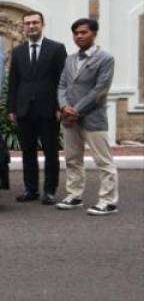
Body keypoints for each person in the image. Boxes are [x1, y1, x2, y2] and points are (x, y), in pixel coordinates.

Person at [55, 18, 118, 216]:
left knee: (103, 161)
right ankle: (74, 195)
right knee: (72, 159)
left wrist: (76, 110)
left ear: (94, 33)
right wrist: (64, 106)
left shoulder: (105, 58)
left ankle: (108, 201)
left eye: (83, 32)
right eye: (76, 33)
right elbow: (62, 86)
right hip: (69, 118)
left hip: (93, 117)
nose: (79, 36)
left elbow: (100, 90)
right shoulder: (70, 59)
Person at [6, 11, 67, 204]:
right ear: (23, 27)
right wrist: (11, 108)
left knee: (51, 152)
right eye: (27, 23)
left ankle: (49, 191)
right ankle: (30, 189)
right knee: (28, 152)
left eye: (35, 22)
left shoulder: (56, 48)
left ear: (42, 24)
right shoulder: (18, 51)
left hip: (49, 109)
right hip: (24, 109)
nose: (31, 26)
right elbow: (13, 82)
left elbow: (63, 81)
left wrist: (61, 106)